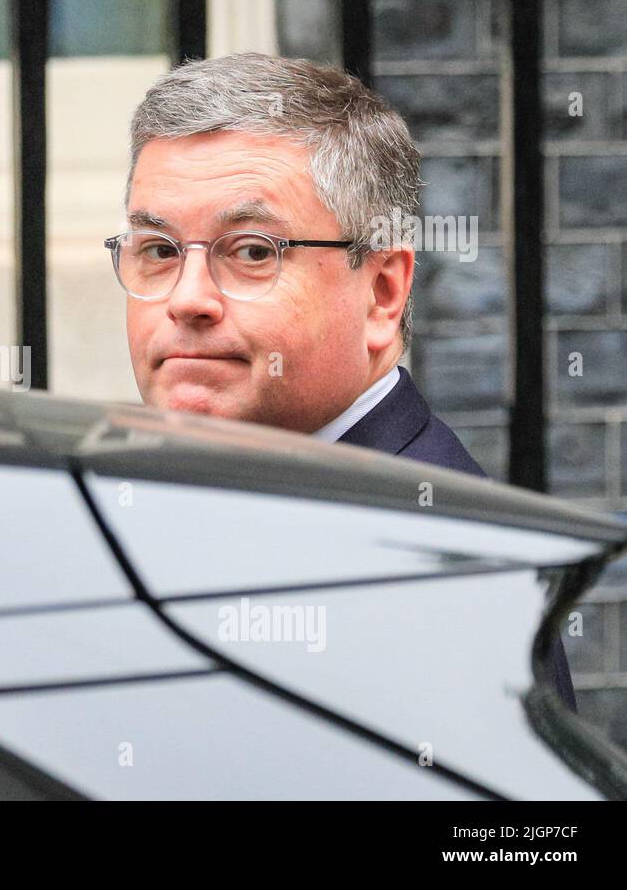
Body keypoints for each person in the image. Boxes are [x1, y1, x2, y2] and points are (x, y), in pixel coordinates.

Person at [117, 52, 576, 711]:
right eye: (158, 251)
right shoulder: (190, 497)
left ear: (382, 294)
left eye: (252, 251)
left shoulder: (441, 580)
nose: (187, 299)